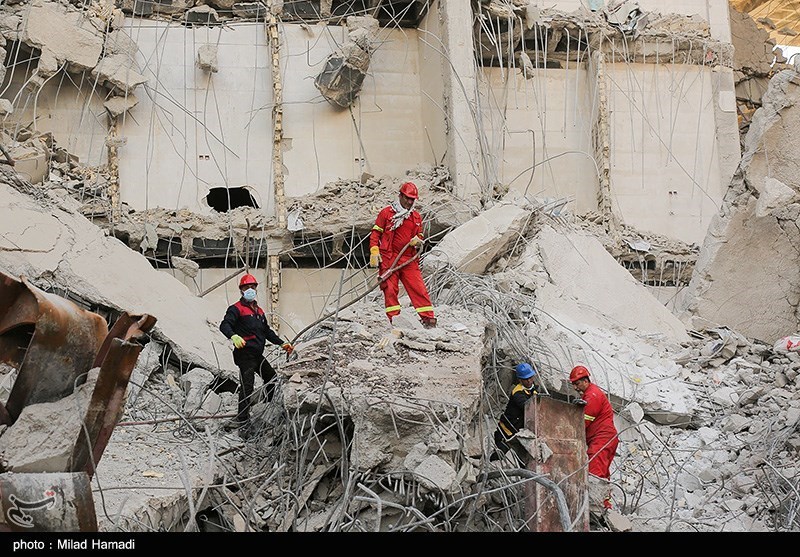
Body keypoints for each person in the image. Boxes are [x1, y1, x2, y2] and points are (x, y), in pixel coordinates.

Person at [219, 273, 294, 438]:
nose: (250, 290)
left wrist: (281, 343)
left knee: (271, 377)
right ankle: (243, 423)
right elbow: (224, 324)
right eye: (247, 287)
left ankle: (269, 409)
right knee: (247, 387)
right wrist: (233, 335)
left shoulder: (258, 311)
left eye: (253, 287)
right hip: (244, 354)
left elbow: (266, 331)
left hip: (256, 353)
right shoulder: (236, 309)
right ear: (241, 290)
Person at [369, 181, 436, 328]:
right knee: (390, 289)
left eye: (412, 199)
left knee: (418, 287)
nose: (409, 202)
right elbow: (376, 233)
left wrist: (418, 240)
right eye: (407, 198)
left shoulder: (416, 217)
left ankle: (428, 319)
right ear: (400, 195)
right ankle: (395, 320)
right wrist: (374, 250)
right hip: (389, 258)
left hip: (408, 259)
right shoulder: (386, 213)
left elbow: (420, 235)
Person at [570, 364, 619, 507]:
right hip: (606, 439)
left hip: (601, 438)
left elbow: (583, 423)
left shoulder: (592, 395)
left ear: (586, 381)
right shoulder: (590, 394)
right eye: (574, 384)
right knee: (602, 472)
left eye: (577, 383)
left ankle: (594, 506)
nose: (575, 387)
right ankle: (605, 504)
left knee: (595, 471)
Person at [490, 363, 537, 462]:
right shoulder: (517, 393)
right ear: (520, 380)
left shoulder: (534, 388)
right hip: (507, 430)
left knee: (523, 460)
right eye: (525, 379)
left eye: (530, 377)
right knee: (499, 455)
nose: (529, 381)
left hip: (519, 430)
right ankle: (484, 464)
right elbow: (529, 408)